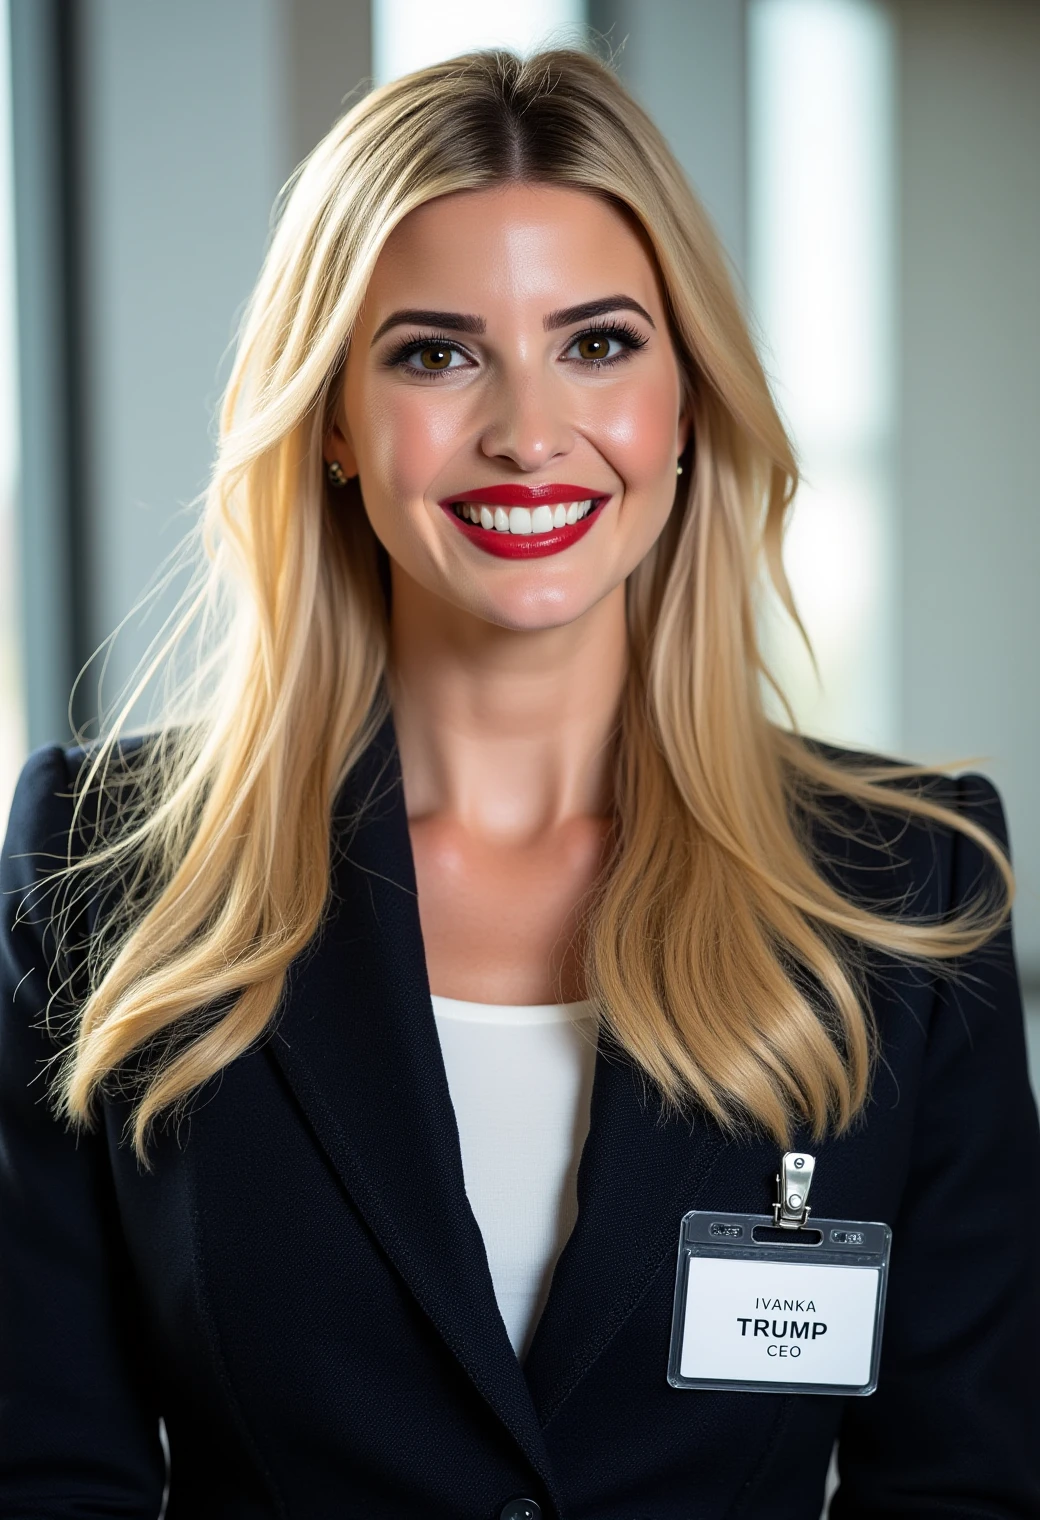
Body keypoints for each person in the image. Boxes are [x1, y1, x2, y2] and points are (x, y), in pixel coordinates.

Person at [1, 45, 1038, 1520]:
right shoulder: (99, 875)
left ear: (687, 401)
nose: (529, 430)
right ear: (337, 425)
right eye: (436, 352)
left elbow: (963, 1488)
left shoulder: (906, 891)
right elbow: (47, 1475)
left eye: (599, 343)